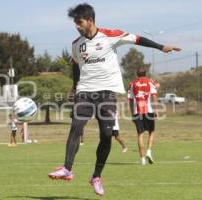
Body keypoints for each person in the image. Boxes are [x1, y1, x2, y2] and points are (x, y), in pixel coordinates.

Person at [48, 3, 181, 196]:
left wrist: (161, 47)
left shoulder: (111, 35)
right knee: (76, 126)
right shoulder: (77, 44)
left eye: (80, 22)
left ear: (90, 20)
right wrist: (75, 87)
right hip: (85, 92)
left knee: (106, 135)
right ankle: (67, 168)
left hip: (107, 93)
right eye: (75, 23)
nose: (77, 26)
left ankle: (96, 176)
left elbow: (137, 39)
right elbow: (76, 66)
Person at [128, 67, 158, 165]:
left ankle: (142, 160)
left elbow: (131, 100)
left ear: (137, 74)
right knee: (152, 132)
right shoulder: (150, 82)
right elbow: (154, 96)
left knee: (140, 134)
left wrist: (132, 114)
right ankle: (149, 152)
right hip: (148, 111)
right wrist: (156, 110)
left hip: (137, 112)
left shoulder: (132, 84)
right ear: (145, 73)